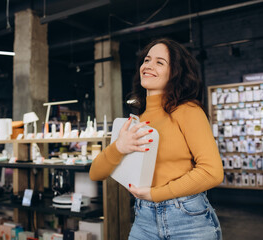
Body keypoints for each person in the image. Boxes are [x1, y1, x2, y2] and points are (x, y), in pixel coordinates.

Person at [89, 38, 224, 240]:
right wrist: (119, 147)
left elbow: (212, 172)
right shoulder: (137, 122)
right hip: (144, 219)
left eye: (160, 62)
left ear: (176, 72)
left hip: (188, 218)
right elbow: (95, 173)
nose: (148, 66)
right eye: (147, 60)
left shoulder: (188, 110)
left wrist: (155, 194)